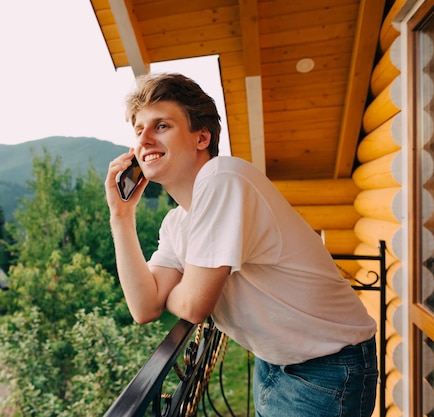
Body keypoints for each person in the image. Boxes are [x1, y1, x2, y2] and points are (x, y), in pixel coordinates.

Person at [105, 73, 378, 417]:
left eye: (161, 126)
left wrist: (180, 287)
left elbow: (192, 306)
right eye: (139, 130)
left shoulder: (223, 178)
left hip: (327, 368)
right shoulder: (176, 222)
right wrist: (121, 215)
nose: (143, 139)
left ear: (201, 137)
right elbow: (144, 307)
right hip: (276, 362)